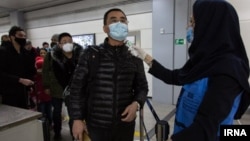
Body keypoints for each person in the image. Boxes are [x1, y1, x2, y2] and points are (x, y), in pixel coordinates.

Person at [132, 1, 250, 141]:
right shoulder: (205, 62)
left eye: (192, 22)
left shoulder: (229, 70)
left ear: (210, 26)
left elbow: (205, 127)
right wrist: (146, 57)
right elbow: (173, 76)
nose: (188, 26)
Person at [68, 8, 149, 141]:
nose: (119, 23)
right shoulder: (91, 54)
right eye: (114, 20)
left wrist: (136, 104)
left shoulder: (134, 56)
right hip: (96, 125)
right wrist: (76, 119)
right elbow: (76, 89)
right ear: (105, 28)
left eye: (123, 21)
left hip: (125, 125)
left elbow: (142, 87)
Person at [42, 32, 83, 140]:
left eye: (69, 41)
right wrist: (46, 86)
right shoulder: (51, 55)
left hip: (73, 90)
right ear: (59, 44)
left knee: (73, 113)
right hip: (56, 88)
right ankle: (57, 132)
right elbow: (45, 71)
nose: (67, 43)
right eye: (64, 42)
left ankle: (74, 134)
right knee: (57, 111)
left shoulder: (79, 55)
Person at [0, 26, 35, 109]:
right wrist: (20, 80)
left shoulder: (25, 53)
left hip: (23, 91)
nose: (23, 38)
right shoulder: (3, 52)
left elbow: (28, 70)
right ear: (12, 37)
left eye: (24, 36)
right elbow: (1, 74)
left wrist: (30, 85)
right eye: (20, 35)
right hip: (8, 91)